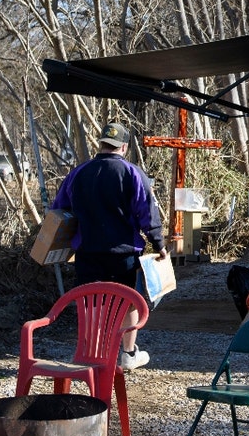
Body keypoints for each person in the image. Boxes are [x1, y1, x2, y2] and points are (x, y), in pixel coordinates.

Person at [52, 122, 169, 370]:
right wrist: (159, 243)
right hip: (123, 254)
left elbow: (58, 210)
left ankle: (92, 356)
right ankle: (128, 353)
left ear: (101, 144)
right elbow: (146, 212)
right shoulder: (132, 173)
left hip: (87, 252)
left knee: (91, 303)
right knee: (127, 303)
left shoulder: (78, 173)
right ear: (124, 147)